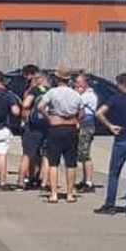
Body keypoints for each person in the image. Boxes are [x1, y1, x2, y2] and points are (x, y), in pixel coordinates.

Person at [93, 73, 126, 217]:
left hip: (122, 139)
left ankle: (110, 204)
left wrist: (110, 126)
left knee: (114, 174)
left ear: (122, 84)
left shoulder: (115, 99)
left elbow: (99, 113)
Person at [38, 67, 83, 203]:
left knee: (53, 162)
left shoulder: (52, 92)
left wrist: (48, 117)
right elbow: (82, 112)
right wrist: (77, 120)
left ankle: (54, 194)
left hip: (56, 126)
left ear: (57, 78)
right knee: (71, 163)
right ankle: (70, 194)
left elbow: (40, 106)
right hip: (71, 127)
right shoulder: (75, 94)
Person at [18, 65, 48, 191]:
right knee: (46, 155)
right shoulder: (51, 91)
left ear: (41, 78)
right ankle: (43, 181)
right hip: (48, 125)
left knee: (28, 153)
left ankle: (21, 180)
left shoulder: (35, 90)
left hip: (33, 125)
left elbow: (25, 104)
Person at [74, 72, 99, 194]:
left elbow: (77, 104)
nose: (76, 85)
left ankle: (89, 182)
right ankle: (84, 179)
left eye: (79, 82)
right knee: (82, 154)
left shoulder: (88, 95)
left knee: (85, 154)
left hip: (86, 126)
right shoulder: (84, 94)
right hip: (84, 125)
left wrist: (77, 94)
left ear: (85, 83)